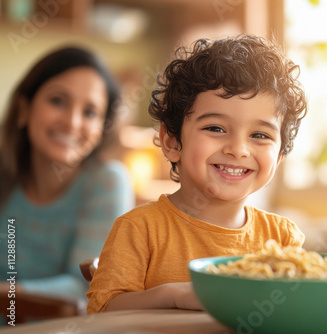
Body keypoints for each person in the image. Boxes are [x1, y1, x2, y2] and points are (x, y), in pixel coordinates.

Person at [86, 34, 308, 313]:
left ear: (279, 156)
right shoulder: (139, 229)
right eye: (216, 128)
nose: (238, 149)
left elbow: (296, 311)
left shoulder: (282, 238)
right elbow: (102, 312)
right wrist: (172, 295)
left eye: (260, 135)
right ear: (172, 142)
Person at [0, 46, 135, 305]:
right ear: (24, 108)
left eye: (90, 112)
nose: (73, 122)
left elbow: (86, 287)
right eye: (58, 101)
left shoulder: (107, 182)